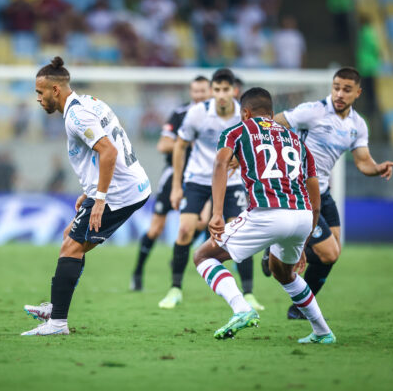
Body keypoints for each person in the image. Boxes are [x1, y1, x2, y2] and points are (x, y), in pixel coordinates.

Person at [193, 87, 335, 344]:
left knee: (203, 256)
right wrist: (303, 240)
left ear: (244, 113)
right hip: (302, 217)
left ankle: (241, 309)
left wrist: (217, 213)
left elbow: (220, 164)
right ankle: (323, 332)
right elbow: (315, 199)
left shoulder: (237, 131)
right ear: (271, 113)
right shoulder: (297, 141)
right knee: (284, 273)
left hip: (267, 212)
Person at [21, 57, 151, 336]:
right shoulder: (91, 102)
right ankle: (56, 306)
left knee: (71, 247)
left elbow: (109, 151)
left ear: (55, 90)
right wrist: (89, 191)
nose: (38, 99)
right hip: (131, 185)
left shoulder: (77, 117)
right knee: (71, 238)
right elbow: (108, 147)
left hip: (118, 193)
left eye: (39, 93)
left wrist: (100, 197)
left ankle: (57, 323)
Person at [263, 67, 393, 319]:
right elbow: (272, 122)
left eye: (346, 89)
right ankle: (281, 253)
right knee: (329, 252)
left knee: (331, 254)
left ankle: (296, 300)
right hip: (299, 190)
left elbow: (363, 161)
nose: (339, 93)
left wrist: (377, 168)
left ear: (358, 92)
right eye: (336, 87)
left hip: (322, 192)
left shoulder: (357, 125)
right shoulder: (312, 111)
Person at [158, 68, 263, 311]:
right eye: (217, 90)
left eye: (226, 89)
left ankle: (248, 293)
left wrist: (242, 159)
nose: (221, 94)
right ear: (212, 91)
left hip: (232, 182)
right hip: (198, 179)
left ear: (234, 90)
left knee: (240, 232)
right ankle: (175, 289)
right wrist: (176, 186)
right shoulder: (197, 113)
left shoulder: (242, 114)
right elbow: (180, 146)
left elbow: (254, 145)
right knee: (184, 230)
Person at [131, 76, 211, 291]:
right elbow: (162, 144)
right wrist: (185, 143)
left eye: (203, 91)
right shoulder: (181, 113)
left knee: (202, 222)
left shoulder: (218, 116)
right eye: (196, 91)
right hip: (175, 174)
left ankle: (178, 255)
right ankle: (137, 272)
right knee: (156, 228)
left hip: (202, 177)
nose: (199, 96)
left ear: (210, 92)